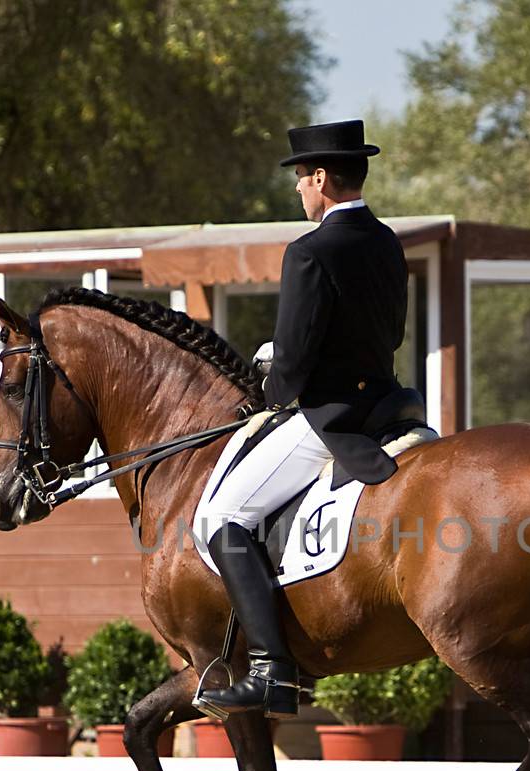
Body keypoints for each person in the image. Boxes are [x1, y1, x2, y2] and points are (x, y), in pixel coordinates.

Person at [193, 119, 409, 716]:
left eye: (300, 179)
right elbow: (389, 333)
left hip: (329, 418)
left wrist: (269, 381)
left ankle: (270, 669)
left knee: (222, 516)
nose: (297, 191)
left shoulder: (310, 251)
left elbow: (292, 366)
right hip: (385, 404)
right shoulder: (388, 240)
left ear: (320, 177)